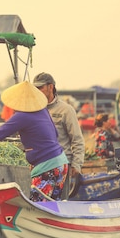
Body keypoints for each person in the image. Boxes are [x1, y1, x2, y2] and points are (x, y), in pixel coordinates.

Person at [0, 81, 68, 202]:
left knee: (37, 206)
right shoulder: (42, 111)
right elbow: (55, 133)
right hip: (60, 163)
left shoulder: (22, 116)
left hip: (48, 168)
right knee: (53, 205)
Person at [33, 72, 85, 200]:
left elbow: (77, 140)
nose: (37, 91)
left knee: (60, 202)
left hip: (61, 166)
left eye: (40, 88)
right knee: (39, 201)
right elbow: (13, 126)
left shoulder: (66, 110)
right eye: (35, 88)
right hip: (40, 166)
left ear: (51, 87)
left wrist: (76, 164)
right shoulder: (34, 109)